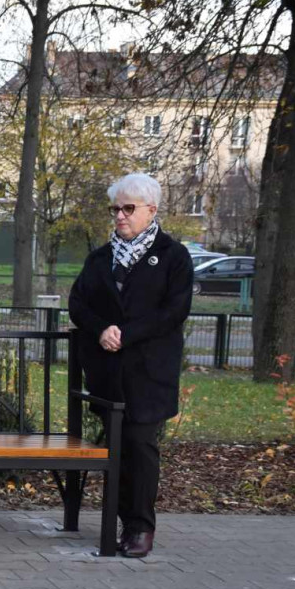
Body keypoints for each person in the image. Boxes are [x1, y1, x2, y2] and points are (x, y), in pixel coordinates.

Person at [69, 173, 193, 558]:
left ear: (151, 210)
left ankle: (140, 527)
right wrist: (100, 329)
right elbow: (78, 304)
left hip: (149, 372)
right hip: (109, 374)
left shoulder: (173, 256)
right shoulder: (100, 258)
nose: (119, 216)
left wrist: (127, 333)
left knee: (140, 446)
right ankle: (120, 522)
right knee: (117, 449)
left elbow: (175, 311)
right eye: (115, 209)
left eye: (128, 208)